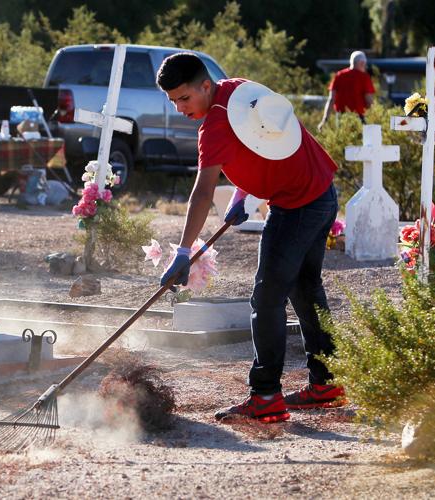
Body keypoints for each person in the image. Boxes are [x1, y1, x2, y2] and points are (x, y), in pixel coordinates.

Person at [156, 53, 344, 423]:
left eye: (184, 98)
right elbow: (263, 144)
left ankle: (265, 396)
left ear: (204, 86)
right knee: (305, 290)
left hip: (297, 206)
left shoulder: (213, 126)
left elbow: (203, 193)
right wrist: (244, 194)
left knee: (266, 298)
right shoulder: (238, 90)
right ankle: (326, 383)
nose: (180, 108)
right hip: (323, 193)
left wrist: (183, 251)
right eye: (173, 101)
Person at [318, 50, 375, 130]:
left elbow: (331, 99)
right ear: (361, 63)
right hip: (359, 116)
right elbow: (369, 100)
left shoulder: (339, 75)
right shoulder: (364, 78)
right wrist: (374, 116)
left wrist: (325, 119)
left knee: (343, 140)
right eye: (364, 63)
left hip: (341, 117)